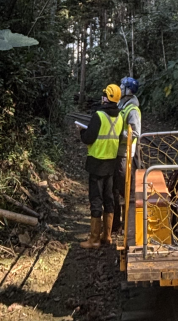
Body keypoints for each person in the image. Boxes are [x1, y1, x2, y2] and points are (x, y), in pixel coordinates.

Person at [79, 83, 123, 249]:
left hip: (97, 163)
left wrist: (81, 132)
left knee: (96, 200)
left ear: (106, 97)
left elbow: (88, 138)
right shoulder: (120, 117)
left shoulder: (99, 115)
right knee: (109, 199)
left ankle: (94, 239)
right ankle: (107, 236)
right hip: (111, 164)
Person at [112, 76, 141, 232]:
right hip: (117, 152)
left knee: (125, 190)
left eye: (122, 86)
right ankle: (116, 224)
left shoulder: (133, 110)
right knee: (115, 189)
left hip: (125, 155)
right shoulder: (122, 104)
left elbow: (135, 133)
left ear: (128, 90)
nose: (119, 88)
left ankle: (128, 224)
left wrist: (116, 134)